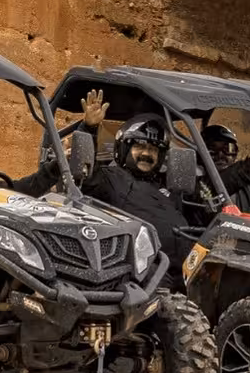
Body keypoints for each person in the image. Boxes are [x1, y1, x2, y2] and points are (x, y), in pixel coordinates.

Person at [82, 113, 195, 266]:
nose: (146, 153)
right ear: (124, 148)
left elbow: (213, 188)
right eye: (139, 146)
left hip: (187, 271)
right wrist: (89, 128)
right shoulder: (110, 179)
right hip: (142, 273)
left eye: (153, 149)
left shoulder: (172, 184)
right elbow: (85, 170)